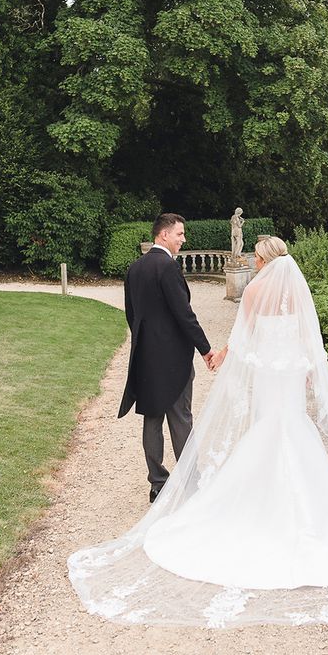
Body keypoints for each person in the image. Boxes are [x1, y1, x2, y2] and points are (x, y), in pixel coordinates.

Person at [70, 236, 328, 628]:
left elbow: (242, 338)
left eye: (256, 257)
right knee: (293, 426)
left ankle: (258, 494)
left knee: (268, 426)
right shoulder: (297, 292)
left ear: (262, 260)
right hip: (291, 371)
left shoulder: (252, 292)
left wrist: (224, 357)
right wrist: (311, 371)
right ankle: (309, 500)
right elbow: (308, 336)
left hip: (269, 373)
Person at [118, 213, 215, 503]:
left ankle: (157, 482)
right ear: (163, 235)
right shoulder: (168, 267)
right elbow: (184, 315)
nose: (183, 240)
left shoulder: (135, 268)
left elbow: (131, 314)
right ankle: (190, 482)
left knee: (152, 418)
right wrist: (206, 349)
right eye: (179, 234)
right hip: (173, 360)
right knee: (181, 418)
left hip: (145, 357)